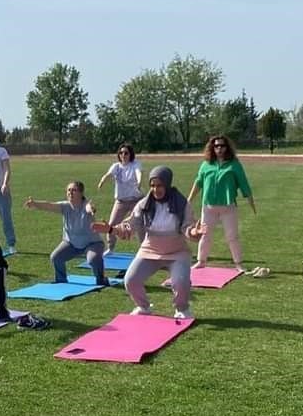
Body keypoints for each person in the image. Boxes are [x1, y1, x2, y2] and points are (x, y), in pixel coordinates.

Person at [94, 166, 205, 320]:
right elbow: (130, 225)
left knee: (180, 282)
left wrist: (194, 232)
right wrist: (111, 229)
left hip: (177, 252)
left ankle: (182, 309)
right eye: (152, 185)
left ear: (167, 184)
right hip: (150, 250)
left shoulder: (182, 203)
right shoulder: (144, 204)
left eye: (159, 185)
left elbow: (187, 227)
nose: (155, 189)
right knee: (130, 280)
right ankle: (143, 307)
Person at [187, 134, 256, 272]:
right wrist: (189, 200)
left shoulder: (234, 164)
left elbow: (243, 183)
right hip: (208, 207)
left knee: (232, 236)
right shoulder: (206, 164)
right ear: (212, 148)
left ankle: (238, 264)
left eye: (222, 145)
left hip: (228, 207)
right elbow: (198, 182)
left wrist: (251, 202)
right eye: (216, 146)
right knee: (205, 235)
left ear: (227, 147)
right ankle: (201, 261)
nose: (219, 148)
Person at [24, 181, 107, 284]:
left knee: (93, 259)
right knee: (56, 257)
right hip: (71, 243)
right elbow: (50, 205)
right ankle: (61, 280)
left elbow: (89, 208)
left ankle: (101, 279)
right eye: (68, 190)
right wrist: (35, 204)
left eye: (74, 190)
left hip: (92, 244)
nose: (70, 193)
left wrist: (91, 210)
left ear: (81, 193)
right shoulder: (65, 206)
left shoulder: (86, 205)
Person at [96, 143, 144, 253]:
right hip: (121, 201)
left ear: (130, 154)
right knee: (111, 224)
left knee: (140, 225)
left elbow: (138, 173)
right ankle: (110, 248)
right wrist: (102, 181)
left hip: (136, 201)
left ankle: (144, 250)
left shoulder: (135, 164)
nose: (123, 155)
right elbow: (108, 174)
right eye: (121, 153)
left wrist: (139, 182)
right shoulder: (116, 166)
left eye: (126, 153)